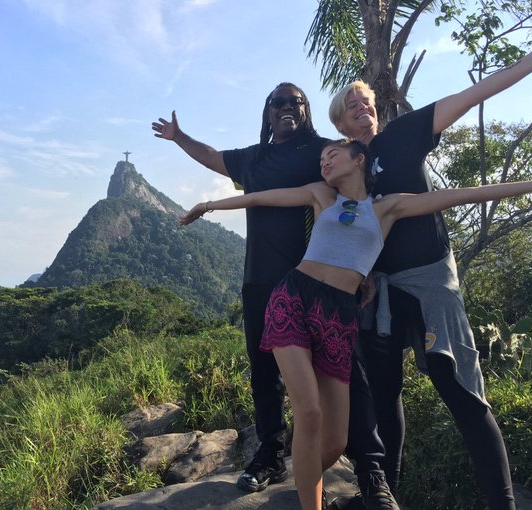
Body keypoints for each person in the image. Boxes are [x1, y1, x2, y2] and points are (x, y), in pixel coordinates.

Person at [178, 138, 532, 510]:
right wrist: (207, 205)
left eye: (332, 154)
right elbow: (259, 198)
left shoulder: (387, 208)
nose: (324, 162)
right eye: (321, 158)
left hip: (339, 315)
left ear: (359, 159)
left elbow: (464, 195)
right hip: (295, 298)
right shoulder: (322, 195)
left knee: (335, 442)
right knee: (309, 412)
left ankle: (307, 486)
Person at [153, 85, 398, 509]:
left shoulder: (321, 151)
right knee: (263, 372)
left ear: (306, 113)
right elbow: (214, 158)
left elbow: (359, 196)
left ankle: (367, 467)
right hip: (261, 280)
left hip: (318, 285)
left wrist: (368, 269)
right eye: (278, 103)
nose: (287, 108)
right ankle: (270, 451)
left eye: (296, 102)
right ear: (267, 114)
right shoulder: (254, 158)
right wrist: (179, 138)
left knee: (347, 375)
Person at [328, 43, 532, 510]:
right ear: (340, 125)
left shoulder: (404, 134)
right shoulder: (341, 172)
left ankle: (502, 503)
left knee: (462, 391)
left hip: (429, 281)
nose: (363, 108)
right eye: (351, 106)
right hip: (379, 292)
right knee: (384, 399)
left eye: (366, 102)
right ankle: (384, 499)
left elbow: (476, 93)